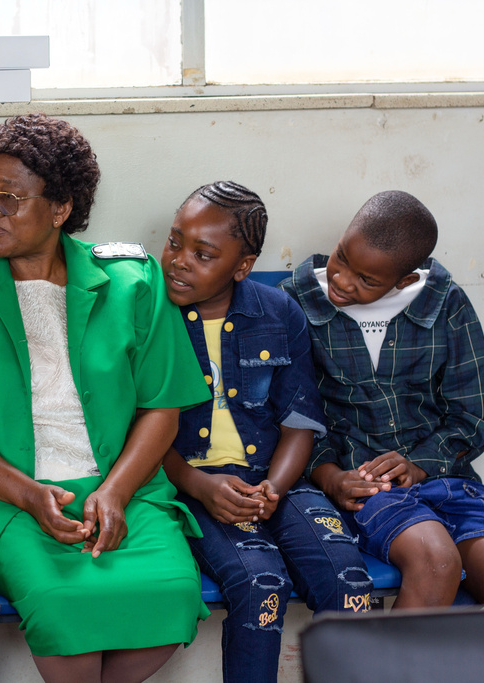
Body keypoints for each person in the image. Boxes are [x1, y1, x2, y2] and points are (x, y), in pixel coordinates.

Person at [0, 114, 212, 683]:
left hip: (122, 487)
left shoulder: (132, 280)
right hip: (4, 493)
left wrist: (114, 491)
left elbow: (162, 406)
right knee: (62, 613)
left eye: (8, 199)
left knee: (174, 599)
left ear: (61, 208)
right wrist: (29, 494)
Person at [281, 190, 484, 608]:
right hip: (365, 485)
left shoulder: (445, 304)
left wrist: (420, 464)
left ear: (403, 280)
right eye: (342, 257)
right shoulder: (293, 304)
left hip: (447, 479)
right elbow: (293, 413)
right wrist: (329, 476)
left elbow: (473, 416)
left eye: (367, 280)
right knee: (437, 563)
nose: (343, 280)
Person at [160, 182, 371, 683]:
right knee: (261, 585)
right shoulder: (150, 315)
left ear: (242, 266)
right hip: (191, 487)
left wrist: (274, 487)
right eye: (174, 242)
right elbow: (139, 429)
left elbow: (299, 420)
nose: (179, 261)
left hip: (280, 481)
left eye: (203, 254)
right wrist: (200, 486)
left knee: (349, 583)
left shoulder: (278, 313)